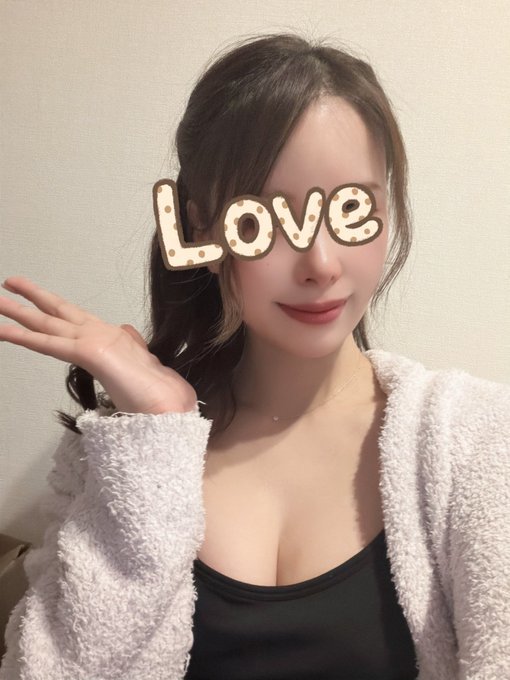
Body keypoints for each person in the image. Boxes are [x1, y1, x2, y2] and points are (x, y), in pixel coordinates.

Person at [0, 33, 508, 680]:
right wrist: (157, 434)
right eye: (261, 220)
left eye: (352, 210)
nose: (321, 264)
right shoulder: (121, 450)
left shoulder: (476, 446)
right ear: (198, 230)